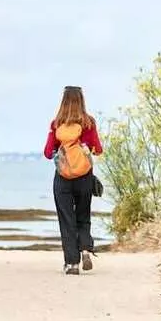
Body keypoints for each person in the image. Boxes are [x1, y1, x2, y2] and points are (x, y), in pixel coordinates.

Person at [43, 86, 103, 275]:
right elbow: (98, 149)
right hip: (84, 177)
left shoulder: (56, 124)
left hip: (63, 178)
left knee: (66, 219)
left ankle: (72, 264)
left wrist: (60, 150)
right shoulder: (88, 123)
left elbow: (47, 152)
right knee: (83, 215)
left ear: (63, 101)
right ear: (81, 100)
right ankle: (85, 248)